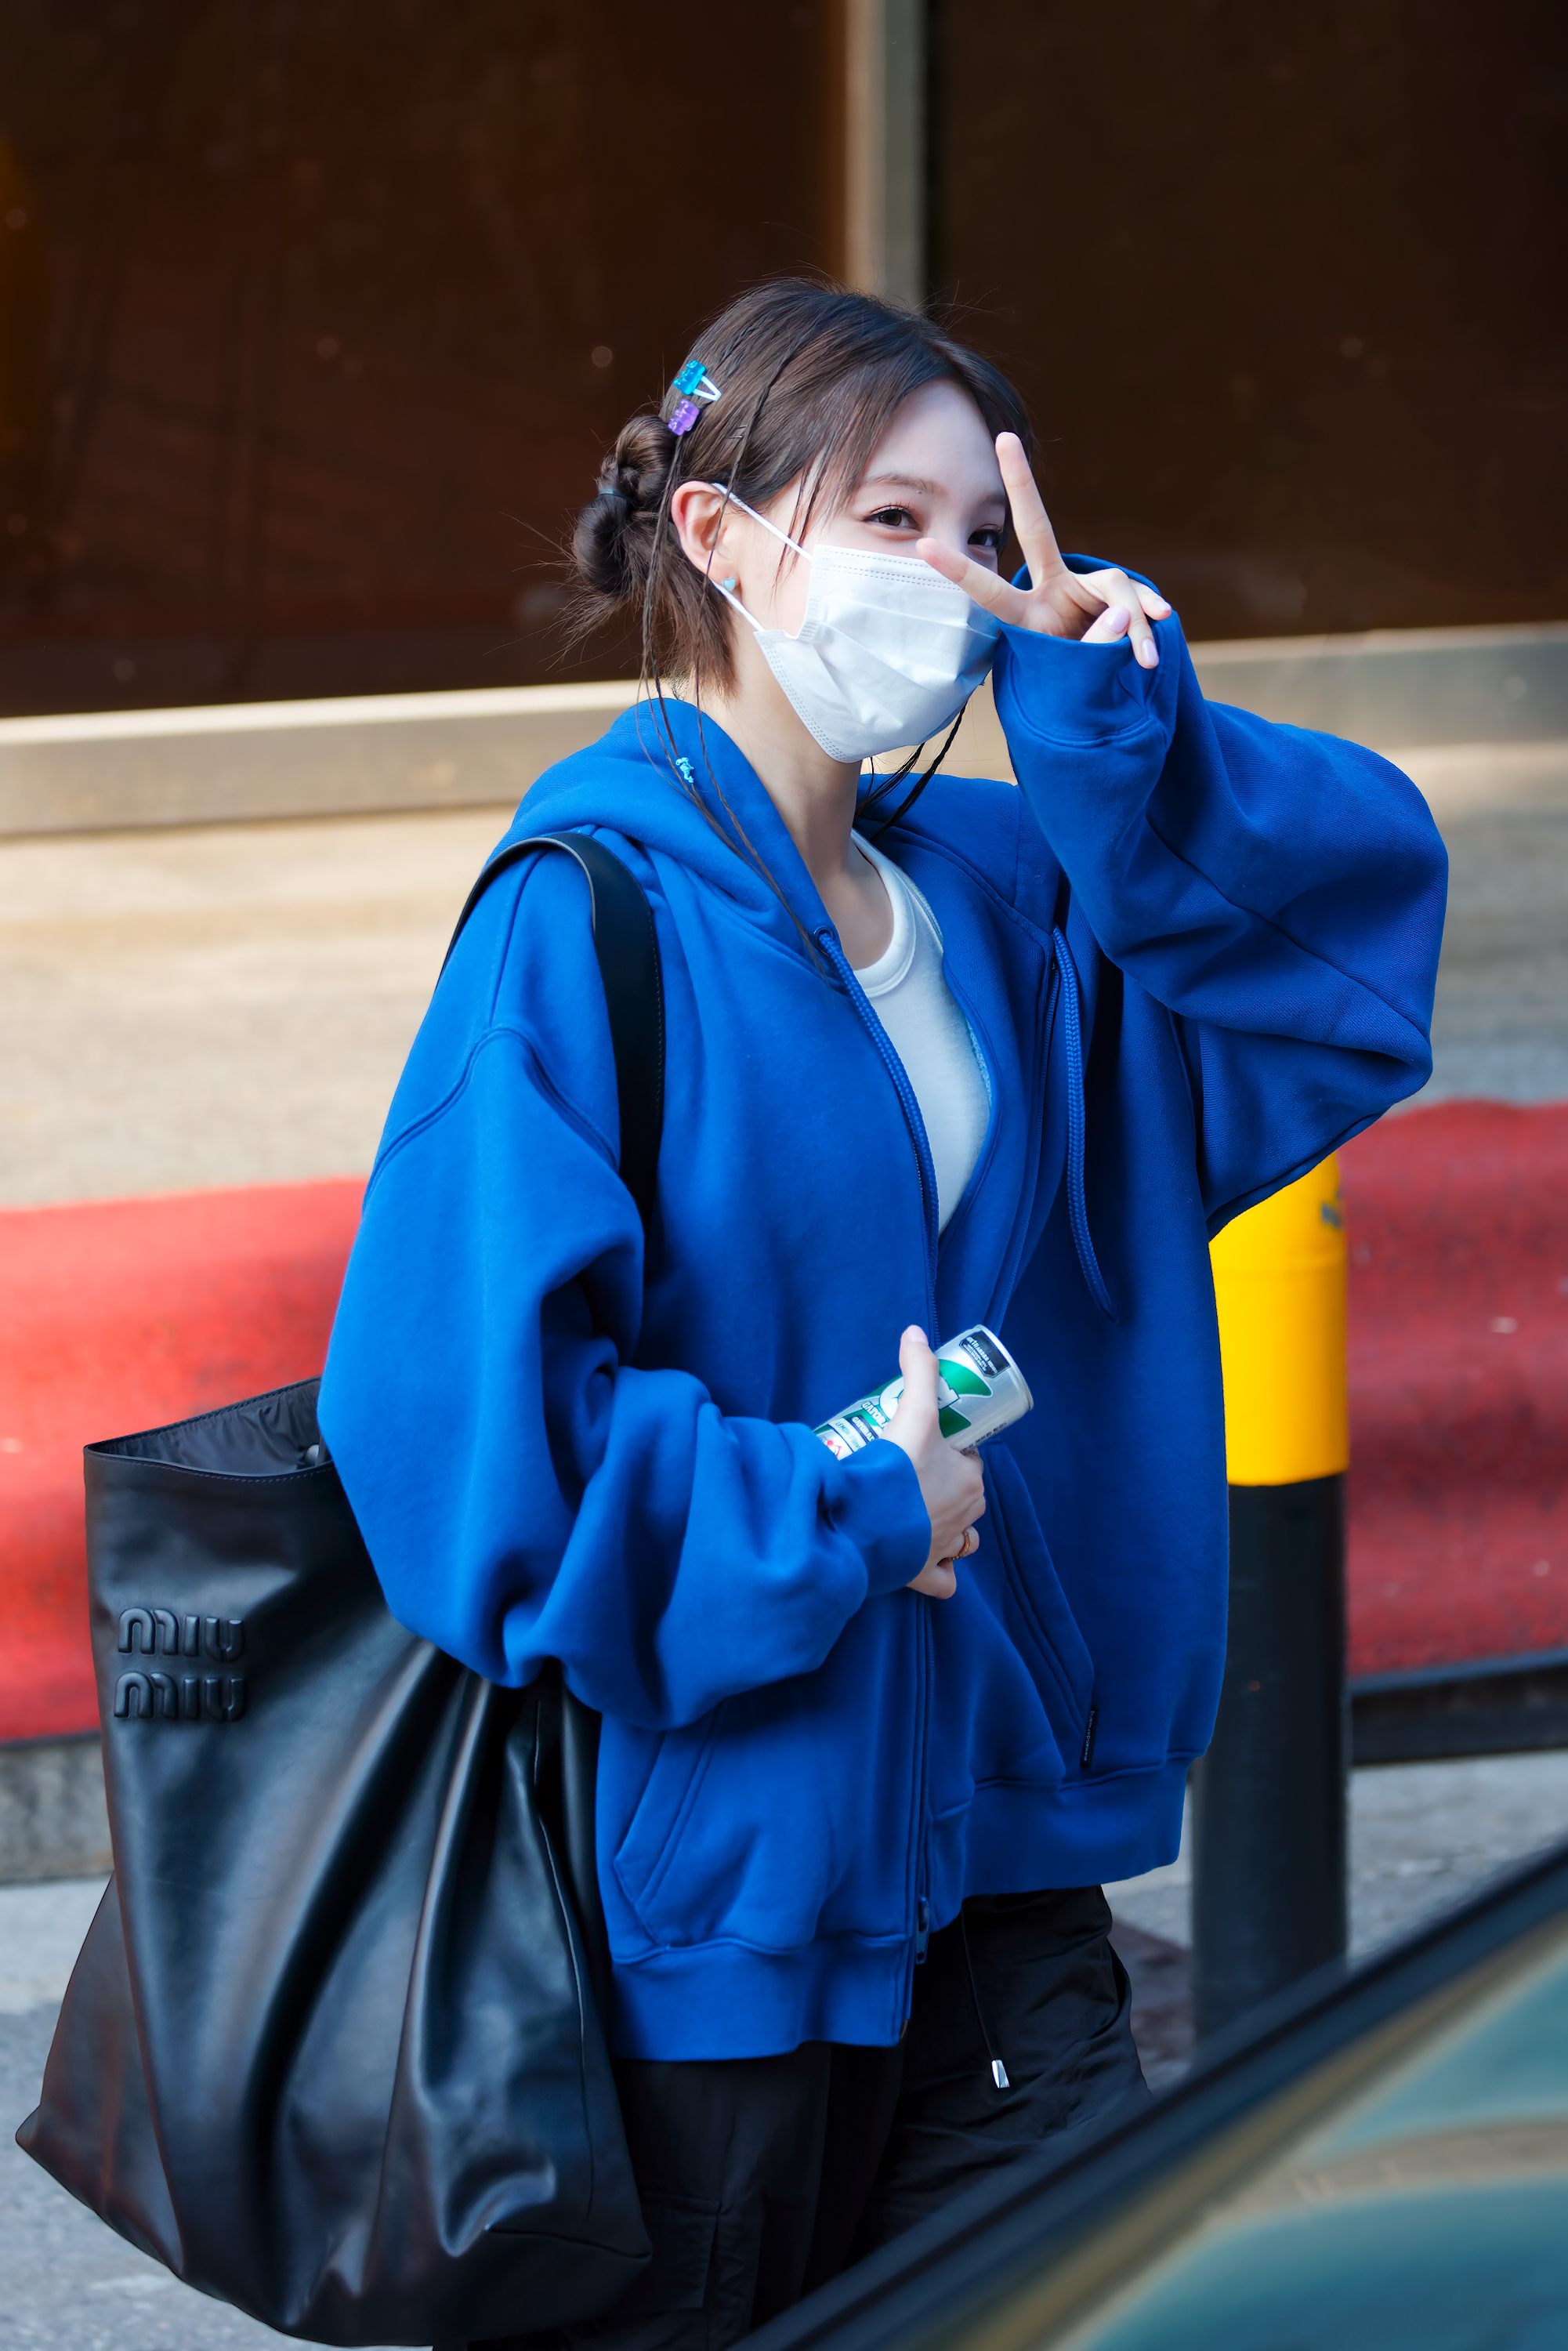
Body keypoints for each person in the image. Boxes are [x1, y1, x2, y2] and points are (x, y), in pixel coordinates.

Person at [318, 279, 1446, 2348]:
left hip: (1003, 1882)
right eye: (890, 523)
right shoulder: (582, 920)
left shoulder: (1005, 899)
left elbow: (1340, 971)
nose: (947, 581)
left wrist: (1115, 726)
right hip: (719, 1924)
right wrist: (846, 1504)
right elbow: (472, 1447)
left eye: (978, 533)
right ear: (720, 535)